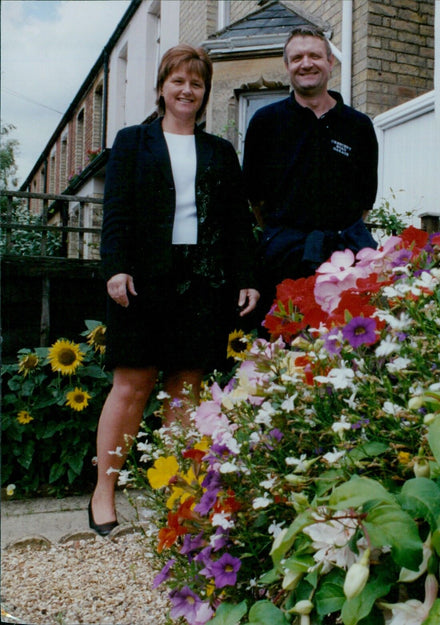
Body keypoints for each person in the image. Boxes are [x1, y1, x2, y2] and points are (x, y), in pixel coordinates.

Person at [89, 44, 260, 536]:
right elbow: (116, 211)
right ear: (163, 86)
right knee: (132, 384)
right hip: (142, 280)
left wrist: (246, 276)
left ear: (205, 93)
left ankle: (178, 492)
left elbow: (235, 223)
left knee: (185, 389)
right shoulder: (131, 142)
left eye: (197, 83)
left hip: (203, 281)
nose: (187, 90)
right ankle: (105, 491)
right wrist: (116, 268)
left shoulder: (219, 152)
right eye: (179, 81)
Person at [242, 26, 379, 312]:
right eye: (297, 57)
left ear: (330, 62)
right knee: (283, 345)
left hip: (345, 261)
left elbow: (365, 199)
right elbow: (255, 199)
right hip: (282, 261)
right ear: (287, 66)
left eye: (315, 56)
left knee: (345, 345)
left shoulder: (358, 126)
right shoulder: (265, 122)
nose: (306, 64)